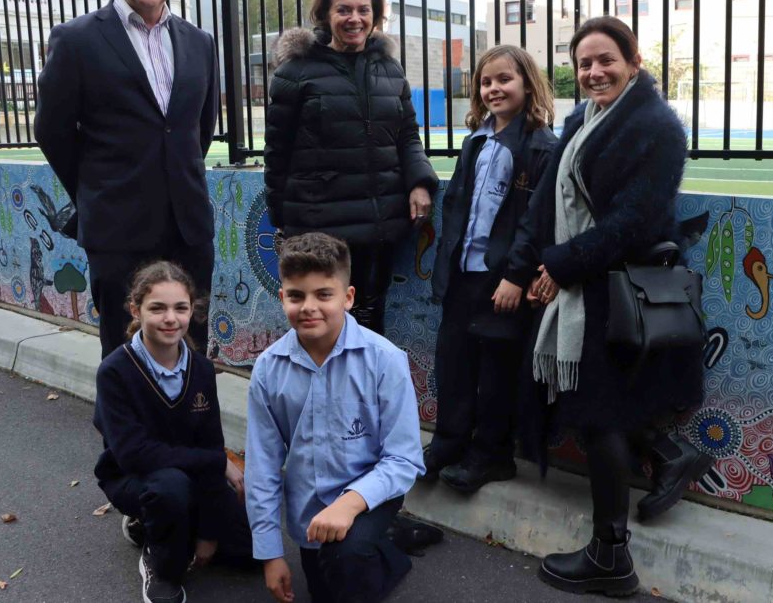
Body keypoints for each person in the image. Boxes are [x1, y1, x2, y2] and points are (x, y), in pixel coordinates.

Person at [518, 17, 705, 596]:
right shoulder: (586, 119)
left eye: (606, 60)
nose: (594, 72)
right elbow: (554, 194)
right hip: (590, 283)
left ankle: (610, 555)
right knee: (607, 410)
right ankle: (670, 455)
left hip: (614, 282)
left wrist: (562, 263)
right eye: (584, 64)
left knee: (600, 416)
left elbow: (636, 220)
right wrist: (543, 263)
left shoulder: (655, 127)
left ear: (634, 61)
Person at [34, 0, 218, 358]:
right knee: (124, 349)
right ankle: (127, 430)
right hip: (117, 230)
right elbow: (52, 131)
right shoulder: (77, 39)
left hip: (189, 229)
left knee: (190, 345)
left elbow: (198, 130)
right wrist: (98, 189)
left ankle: (187, 428)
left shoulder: (200, 43)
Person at [245, 233, 424, 603]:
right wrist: (270, 553)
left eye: (324, 294)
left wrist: (350, 503)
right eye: (296, 296)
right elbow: (262, 467)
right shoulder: (268, 369)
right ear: (282, 298)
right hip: (310, 510)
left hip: (372, 491)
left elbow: (404, 459)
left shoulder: (385, 360)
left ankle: (374, 540)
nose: (309, 306)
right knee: (325, 585)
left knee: (348, 560)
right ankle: (390, 549)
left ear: (349, 297)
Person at [264, 0, 438, 336]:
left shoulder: (390, 70)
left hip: (379, 223)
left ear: (375, 16)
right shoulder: (295, 73)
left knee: (371, 317)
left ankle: (366, 392)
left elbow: (407, 135)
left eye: (364, 10)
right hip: (319, 223)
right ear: (325, 15)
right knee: (321, 321)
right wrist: (283, 218)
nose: (354, 19)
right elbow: (277, 153)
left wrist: (421, 182)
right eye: (344, 10)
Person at [422, 45, 557, 493]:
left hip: (501, 280)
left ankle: (492, 454)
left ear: (527, 84)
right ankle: (448, 441)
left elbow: (535, 220)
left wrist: (517, 276)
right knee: (454, 362)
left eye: (504, 79)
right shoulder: (476, 140)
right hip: (463, 273)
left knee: (496, 371)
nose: (494, 88)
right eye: (486, 82)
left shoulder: (540, 145)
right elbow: (459, 207)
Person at [92, 261, 253, 603]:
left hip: (190, 472)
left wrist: (209, 534)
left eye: (180, 308)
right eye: (157, 308)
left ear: (192, 310)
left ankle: (163, 525)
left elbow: (211, 444)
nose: (170, 318)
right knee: (171, 490)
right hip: (134, 477)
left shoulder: (201, 369)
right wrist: (215, 461)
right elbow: (134, 454)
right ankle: (158, 559)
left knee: (248, 551)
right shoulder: (114, 371)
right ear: (136, 309)